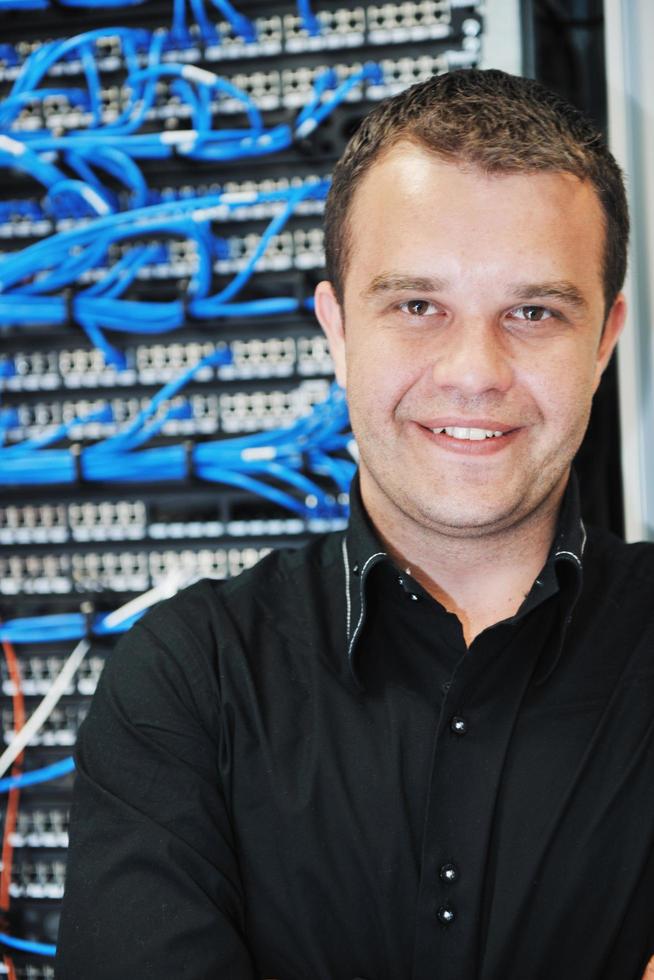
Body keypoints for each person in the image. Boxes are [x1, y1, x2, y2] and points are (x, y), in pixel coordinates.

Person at [55, 69, 654, 980]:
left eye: (532, 312)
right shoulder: (185, 686)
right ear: (337, 329)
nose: (473, 371)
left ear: (605, 339)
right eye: (418, 306)